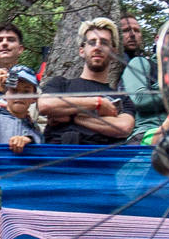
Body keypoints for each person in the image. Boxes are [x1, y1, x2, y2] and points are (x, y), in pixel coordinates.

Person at [36, 17, 136, 145]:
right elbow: (45, 105)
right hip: (57, 154)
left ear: (114, 52)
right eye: (92, 42)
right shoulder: (61, 84)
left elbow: (123, 127)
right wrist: (98, 103)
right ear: (82, 50)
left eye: (104, 43)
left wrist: (72, 116)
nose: (98, 47)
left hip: (101, 156)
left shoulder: (122, 99)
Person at [115, 13, 167, 138]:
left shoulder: (146, 62)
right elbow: (140, 98)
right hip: (143, 132)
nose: (132, 34)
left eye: (137, 31)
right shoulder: (139, 63)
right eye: (126, 30)